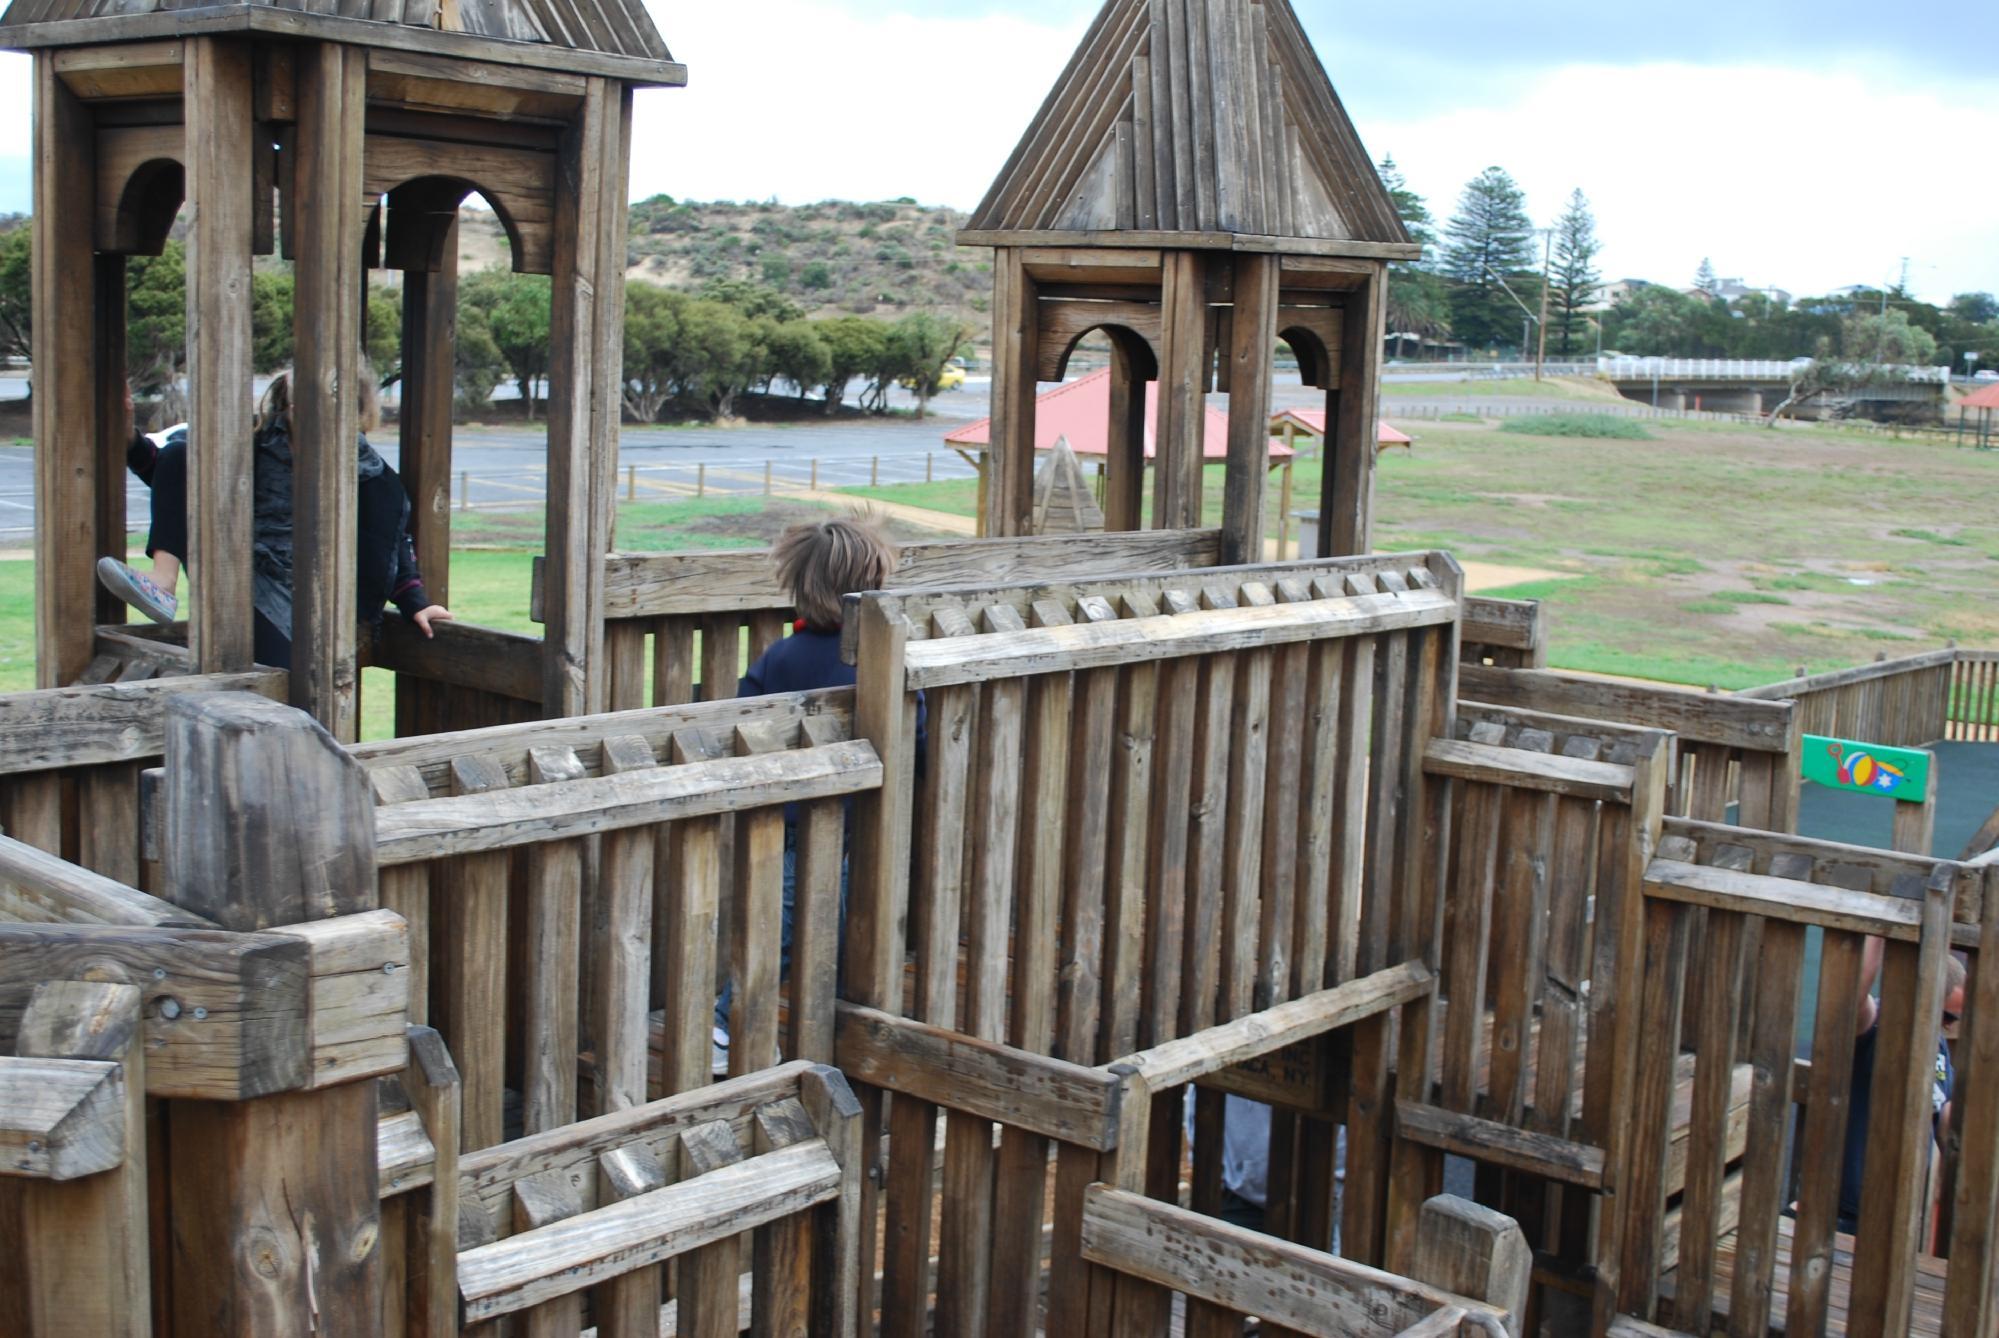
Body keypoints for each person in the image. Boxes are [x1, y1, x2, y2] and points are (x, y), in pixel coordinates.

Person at [713, 512, 902, 1073]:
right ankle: (728, 1025)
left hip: (789, 818)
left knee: (796, 924)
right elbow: (912, 730)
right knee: (801, 928)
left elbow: (744, 715)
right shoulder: (878, 656)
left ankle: (768, 1025)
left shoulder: (783, 655)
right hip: (847, 822)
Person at [97, 369, 452, 666]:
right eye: (299, 402)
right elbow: (168, 475)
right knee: (180, 455)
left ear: (351, 412)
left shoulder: (373, 477)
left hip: (307, 596)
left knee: (284, 686)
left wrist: (417, 603)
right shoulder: (251, 443)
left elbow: (391, 545)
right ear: (287, 404)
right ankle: (161, 583)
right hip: (236, 571)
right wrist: (128, 435)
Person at [1836, 945, 1967, 1233]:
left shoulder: (1938, 1046)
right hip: (1845, 1210)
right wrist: (1879, 930)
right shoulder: (1875, 1023)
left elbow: (1947, 1118)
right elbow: (1853, 998)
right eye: (1948, 1017)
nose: (1948, 1027)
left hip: (1894, 1212)